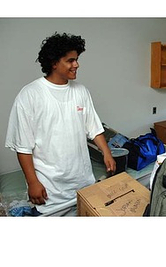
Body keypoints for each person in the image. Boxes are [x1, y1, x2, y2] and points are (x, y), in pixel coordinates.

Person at [5, 32, 116, 216]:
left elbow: (94, 128)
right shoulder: (30, 95)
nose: (77, 64)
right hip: (50, 190)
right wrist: (33, 183)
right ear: (54, 63)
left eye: (77, 59)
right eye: (70, 60)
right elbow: (23, 146)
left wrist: (107, 153)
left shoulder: (81, 91)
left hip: (83, 184)